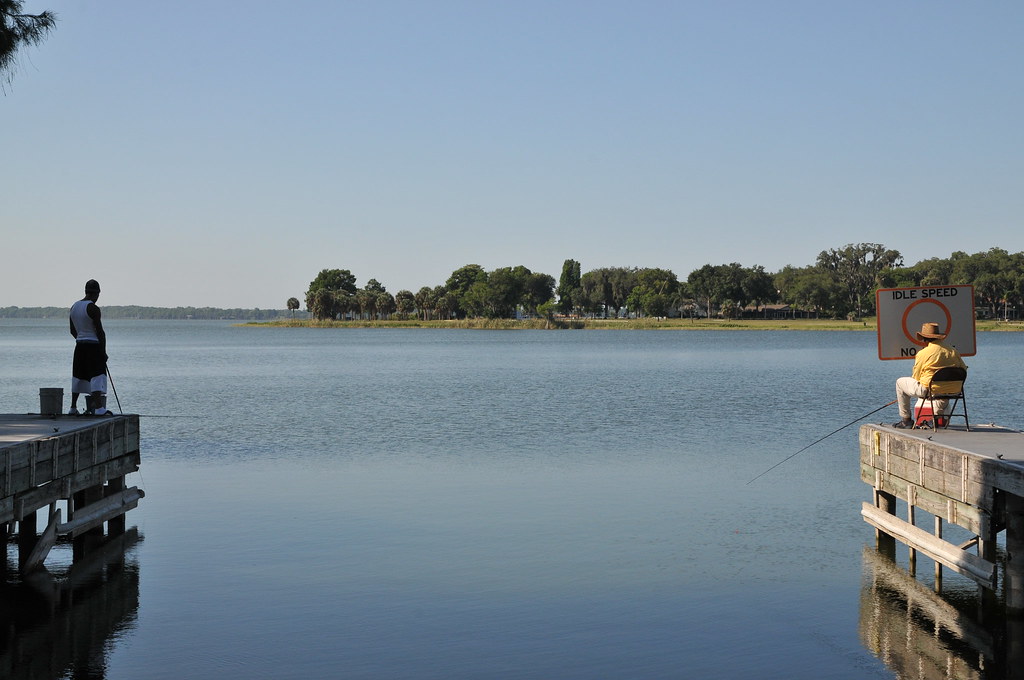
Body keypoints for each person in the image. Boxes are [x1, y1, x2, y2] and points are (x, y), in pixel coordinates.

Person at [893, 321, 967, 428]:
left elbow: (916, 377)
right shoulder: (953, 351)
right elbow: (963, 369)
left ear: (924, 339)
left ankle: (906, 420)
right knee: (944, 386)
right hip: (955, 390)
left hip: (930, 390)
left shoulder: (923, 353)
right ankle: (936, 419)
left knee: (899, 383)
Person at [69, 279, 112, 416]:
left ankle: (73, 407)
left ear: (85, 291)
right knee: (97, 375)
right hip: (93, 346)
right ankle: (99, 408)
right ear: (97, 293)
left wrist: (80, 338)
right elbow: (100, 332)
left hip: (80, 345)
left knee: (78, 375)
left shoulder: (74, 307)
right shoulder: (93, 308)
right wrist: (103, 352)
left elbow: (72, 330)